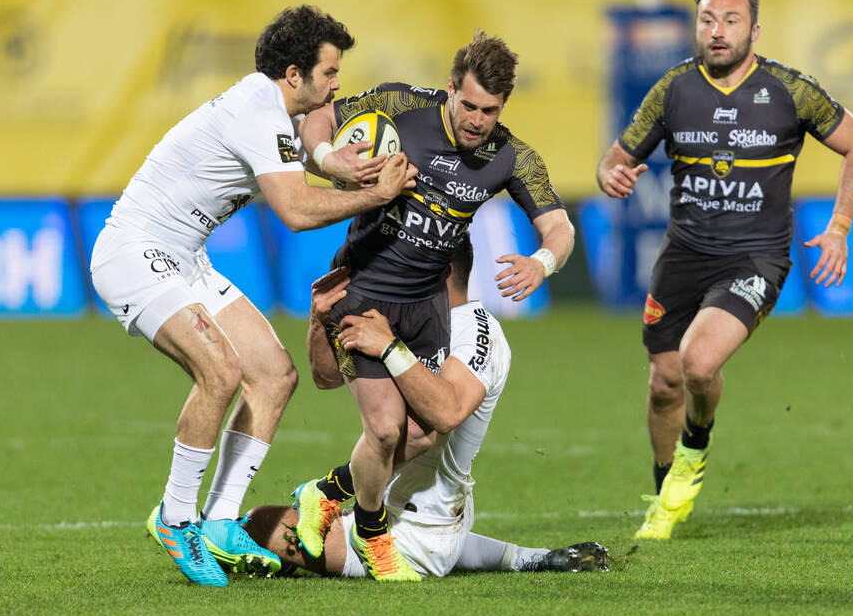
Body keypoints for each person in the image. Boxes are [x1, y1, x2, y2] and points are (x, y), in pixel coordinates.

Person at [92, 5, 415, 587]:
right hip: (134, 252)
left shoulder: (273, 108)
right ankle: (175, 519)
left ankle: (219, 522)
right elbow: (295, 211)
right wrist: (375, 195)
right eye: (329, 72)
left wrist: (331, 161)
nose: (336, 84)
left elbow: (305, 148)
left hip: (184, 257)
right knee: (219, 370)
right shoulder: (257, 109)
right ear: (294, 74)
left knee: (273, 374)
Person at [596, 0, 853, 540]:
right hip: (683, 255)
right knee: (664, 382)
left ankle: (694, 449)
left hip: (754, 258)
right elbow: (616, 156)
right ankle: (665, 495)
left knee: (699, 363)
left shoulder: (790, 91)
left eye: (730, 20)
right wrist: (611, 175)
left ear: (754, 29)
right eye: (707, 20)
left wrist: (840, 228)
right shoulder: (673, 89)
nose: (718, 31)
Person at [292, 30, 574, 579]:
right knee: (385, 430)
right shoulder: (401, 106)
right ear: (450, 88)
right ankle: (372, 535)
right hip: (366, 288)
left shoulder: (511, 156)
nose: (476, 120)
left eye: (489, 111)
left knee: (422, 434)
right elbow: (319, 118)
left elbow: (559, 226)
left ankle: (323, 493)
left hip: (427, 307)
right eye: (468, 105)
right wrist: (331, 159)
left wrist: (542, 262)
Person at [234, 237, 608, 579]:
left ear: (441, 270)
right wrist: (320, 320)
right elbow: (326, 376)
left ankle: (331, 500)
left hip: (417, 532)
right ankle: (527, 557)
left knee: (257, 523)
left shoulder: (478, 332)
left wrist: (388, 347)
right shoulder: (409, 319)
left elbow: (446, 413)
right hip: (402, 509)